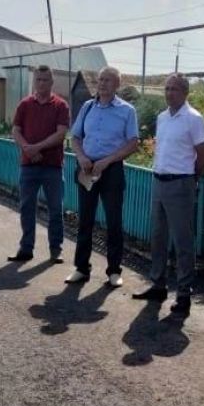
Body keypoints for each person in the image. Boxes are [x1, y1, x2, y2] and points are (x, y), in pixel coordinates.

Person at [133, 73, 204, 315]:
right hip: (159, 181)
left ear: (185, 92)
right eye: (166, 88)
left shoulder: (194, 119)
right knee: (158, 236)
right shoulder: (162, 117)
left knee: (182, 240)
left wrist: (191, 178)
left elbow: (203, 154)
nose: (169, 93)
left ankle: (184, 293)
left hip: (180, 183)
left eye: (174, 89)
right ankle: (158, 285)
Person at [65, 66, 140, 288]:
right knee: (85, 220)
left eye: (108, 80)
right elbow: (76, 137)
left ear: (117, 84)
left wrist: (107, 161)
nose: (103, 84)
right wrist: (81, 157)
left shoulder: (127, 110)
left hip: (111, 170)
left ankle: (114, 271)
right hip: (87, 169)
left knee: (114, 222)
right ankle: (81, 268)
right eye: (100, 80)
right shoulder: (88, 107)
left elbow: (133, 143)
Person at [8, 65, 70, 263]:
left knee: (55, 209)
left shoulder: (61, 105)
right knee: (27, 207)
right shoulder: (25, 104)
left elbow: (61, 134)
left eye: (45, 80)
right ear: (34, 81)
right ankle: (26, 248)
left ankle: (55, 249)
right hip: (29, 166)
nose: (41, 83)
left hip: (52, 166)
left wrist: (37, 148)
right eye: (38, 80)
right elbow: (16, 131)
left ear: (52, 82)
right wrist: (28, 148)